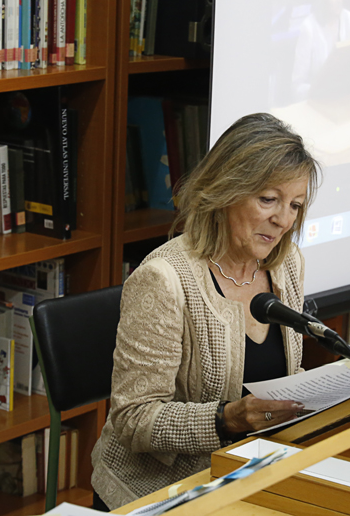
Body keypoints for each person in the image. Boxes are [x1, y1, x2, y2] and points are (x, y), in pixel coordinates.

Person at [91, 113, 321, 510]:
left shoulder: (287, 264)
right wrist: (226, 419)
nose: (283, 220)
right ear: (226, 189)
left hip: (251, 473)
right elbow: (133, 419)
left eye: (295, 205)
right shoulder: (164, 279)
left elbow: (285, 373)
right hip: (162, 491)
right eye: (268, 199)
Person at [290, 0, 350, 101]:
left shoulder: (346, 18)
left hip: (342, 97)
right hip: (317, 102)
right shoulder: (309, 28)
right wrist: (319, 91)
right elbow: (296, 87)